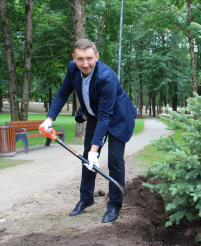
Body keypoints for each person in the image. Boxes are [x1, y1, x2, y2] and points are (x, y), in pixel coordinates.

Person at [40, 39, 137, 223]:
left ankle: (115, 205)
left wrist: (96, 151)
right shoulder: (72, 69)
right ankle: (86, 199)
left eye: (89, 58)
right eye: (80, 59)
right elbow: (62, 93)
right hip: (94, 115)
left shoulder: (106, 77)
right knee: (87, 159)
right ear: (74, 58)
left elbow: (105, 116)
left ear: (97, 57)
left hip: (118, 118)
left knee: (115, 160)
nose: (85, 64)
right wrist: (49, 120)